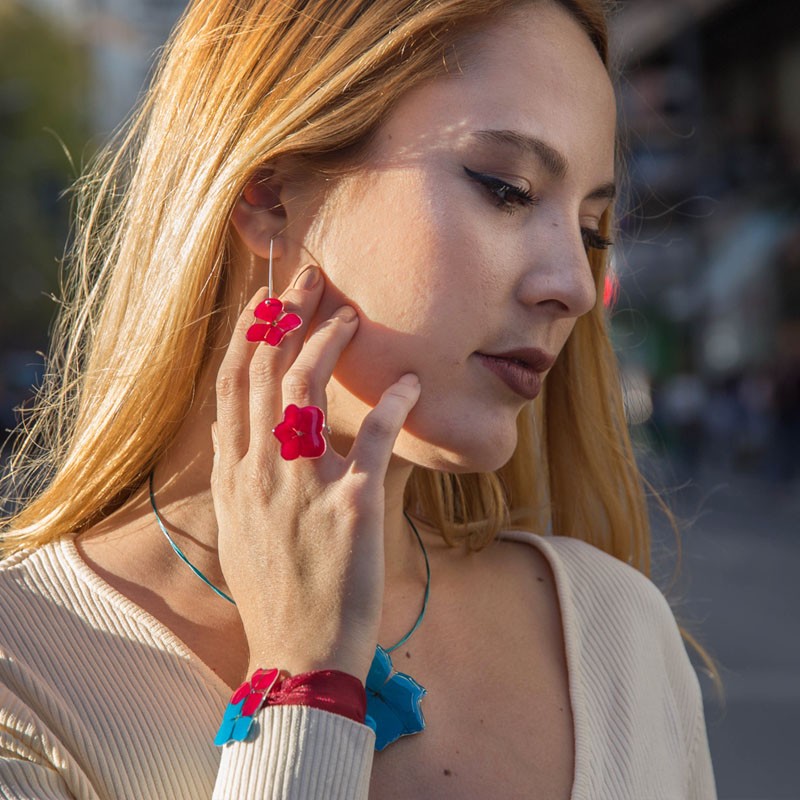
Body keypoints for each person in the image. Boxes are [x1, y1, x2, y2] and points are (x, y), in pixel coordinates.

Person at [0, 0, 717, 797]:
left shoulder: (617, 630)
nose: (576, 289)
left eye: (590, 230)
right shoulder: (24, 675)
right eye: (507, 189)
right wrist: (302, 685)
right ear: (269, 196)